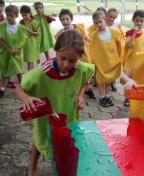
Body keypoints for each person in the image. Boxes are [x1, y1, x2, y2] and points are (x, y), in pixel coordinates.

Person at [13, 30, 95, 176]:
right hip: (45, 115)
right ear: (55, 51)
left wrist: (81, 97)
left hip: (68, 113)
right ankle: (32, 168)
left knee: (65, 141)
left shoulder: (81, 68)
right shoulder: (41, 73)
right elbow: (16, 87)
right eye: (63, 58)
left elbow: (85, 81)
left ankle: (62, 165)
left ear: (79, 58)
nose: (66, 64)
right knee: (41, 138)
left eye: (72, 61)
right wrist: (25, 98)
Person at [56, 8, 96, 99]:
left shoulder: (78, 27)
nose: (65, 21)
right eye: (62, 19)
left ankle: (87, 88)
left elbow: (87, 38)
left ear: (71, 19)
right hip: (71, 58)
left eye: (67, 19)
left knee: (85, 73)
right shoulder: (60, 33)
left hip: (83, 55)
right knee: (73, 73)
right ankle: (76, 90)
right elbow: (58, 48)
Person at [123, 10, 144, 106]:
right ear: (133, 21)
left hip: (141, 60)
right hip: (131, 61)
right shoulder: (129, 33)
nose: (139, 23)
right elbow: (129, 45)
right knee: (129, 79)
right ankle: (127, 98)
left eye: (141, 21)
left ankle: (135, 97)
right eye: (137, 21)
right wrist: (134, 33)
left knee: (138, 79)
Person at [89, 10, 122, 107]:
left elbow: (119, 44)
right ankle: (102, 97)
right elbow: (90, 45)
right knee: (100, 81)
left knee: (109, 81)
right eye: (96, 23)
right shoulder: (94, 35)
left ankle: (107, 96)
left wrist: (119, 57)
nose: (98, 24)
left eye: (100, 22)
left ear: (105, 20)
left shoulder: (113, 32)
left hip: (110, 62)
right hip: (100, 63)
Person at [0, 5, 27, 97]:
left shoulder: (21, 28)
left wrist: (16, 50)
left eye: (11, 16)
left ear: (16, 15)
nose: (9, 18)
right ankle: (2, 88)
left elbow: (23, 41)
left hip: (17, 53)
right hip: (6, 52)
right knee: (4, 70)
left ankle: (22, 85)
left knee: (18, 70)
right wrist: (8, 49)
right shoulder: (2, 26)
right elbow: (1, 39)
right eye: (7, 15)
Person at [106, 8, 125, 92]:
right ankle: (104, 82)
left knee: (113, 67)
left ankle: (112, 82)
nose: (111, 19)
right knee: (106, 67)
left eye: (114, 18)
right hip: (105, 50)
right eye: (110, 16)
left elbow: (121, 38)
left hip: (114, 50)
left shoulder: (117, 25)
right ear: (106, 15)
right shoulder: (102, 24)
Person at [20, 5, 40, 70]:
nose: (24, 17)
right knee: (23, 59)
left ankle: (30, 75)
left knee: (30, 60)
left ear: (30, 13)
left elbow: (37, 33)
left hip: (31, 43)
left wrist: (29, 31)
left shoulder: (34, 22)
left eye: (26, 15)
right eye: (22, 15)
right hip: (23, 43)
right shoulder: (21, 22)